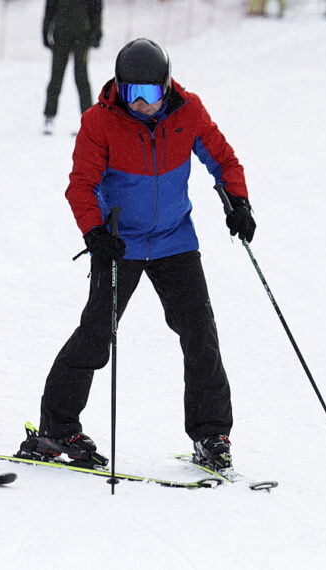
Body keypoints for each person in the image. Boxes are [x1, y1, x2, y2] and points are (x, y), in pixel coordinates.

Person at [16, 38, 256, 472]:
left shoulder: (190, 111)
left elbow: (224, 160)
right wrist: (94, 231)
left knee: (200, 335)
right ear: (119, 88)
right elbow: (81, 185)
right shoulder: (100, 121)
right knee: (95, 336)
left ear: (168, 87)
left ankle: (211, 433)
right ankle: (56, 429)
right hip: (118, 242)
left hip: (174, 240)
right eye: (132, 94)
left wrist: (238, 203)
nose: (142, 104)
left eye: (151, 93)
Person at [42, 0, 103, 134]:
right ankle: (49, 117)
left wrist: (97, 31)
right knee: (56, 77)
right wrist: (45, 30)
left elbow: (96, 7)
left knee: (81, 77)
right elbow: (50, 8)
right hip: (60, 36)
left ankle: (88, 120)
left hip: (82, 36)